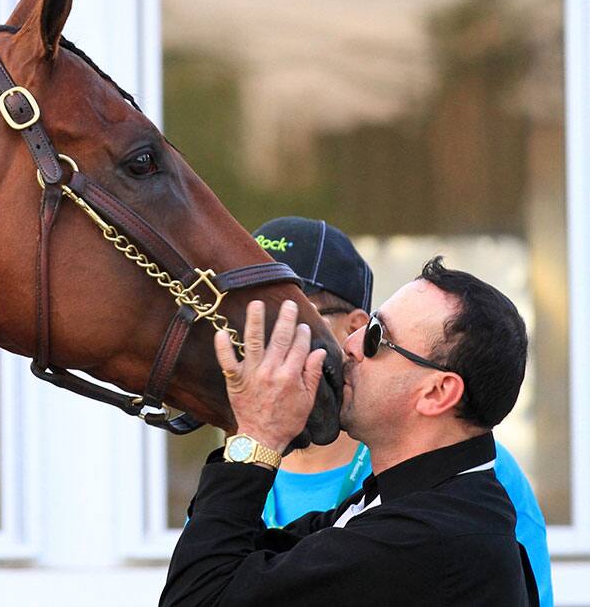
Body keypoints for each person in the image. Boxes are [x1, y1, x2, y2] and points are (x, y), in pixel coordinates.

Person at [160, 256, 539, 605]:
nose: (350, 345)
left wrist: (257, 436)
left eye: (377, 336)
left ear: (437, 393)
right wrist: (251, 416)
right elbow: (245, 557)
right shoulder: (418, 502)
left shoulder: (428, 539)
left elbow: (197, 597)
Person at [253, 217, 553, 605]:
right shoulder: (386, 486)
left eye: (287, 319)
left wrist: (252, 440)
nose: (256, 340)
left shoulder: (476, 483)